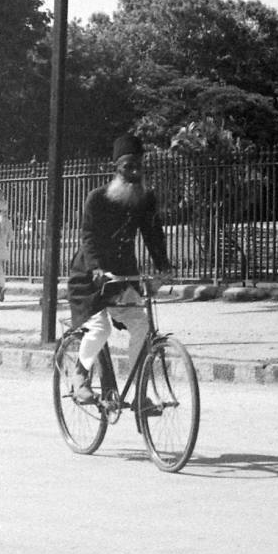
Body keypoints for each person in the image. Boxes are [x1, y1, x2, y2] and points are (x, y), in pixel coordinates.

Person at [67, 133, 174, 404]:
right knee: (100, 329)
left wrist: (164, 268)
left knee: (141, 324)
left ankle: (140, 392)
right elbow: (88, 237)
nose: (135, 172)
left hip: (122, 276)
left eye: (139, 166)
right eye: (128, 167)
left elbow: (153, 234)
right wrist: (96, 269)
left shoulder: (145, 199)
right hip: (89, 277)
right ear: (116, 168)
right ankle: (80, 374)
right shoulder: (97, 199)